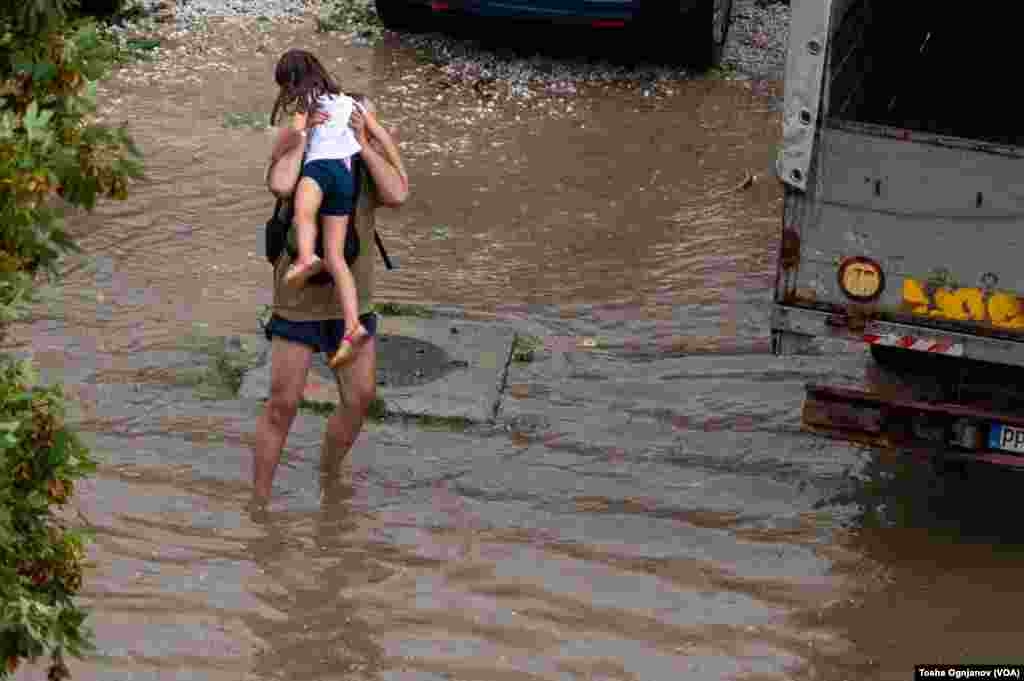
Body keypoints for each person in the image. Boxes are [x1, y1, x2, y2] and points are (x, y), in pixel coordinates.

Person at [252, 50, 409, 508]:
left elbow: (397, 193)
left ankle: (329, 475)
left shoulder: (359, 147)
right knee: (283, 404)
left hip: (351, 300)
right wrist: (301, 138)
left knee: (360, 399)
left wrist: (364, 142)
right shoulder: (297, 135)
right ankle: (259, 505)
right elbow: (281, 185)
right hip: (297, 298)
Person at [271, 50, 368, 369]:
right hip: (344, 177)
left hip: (320, 170)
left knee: (303, 211)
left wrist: (297, 131)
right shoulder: (345, 100)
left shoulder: (306, 101)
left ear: (293, 80)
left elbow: (290, 137)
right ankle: (353, 327)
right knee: (337, 257)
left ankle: (306, 257)